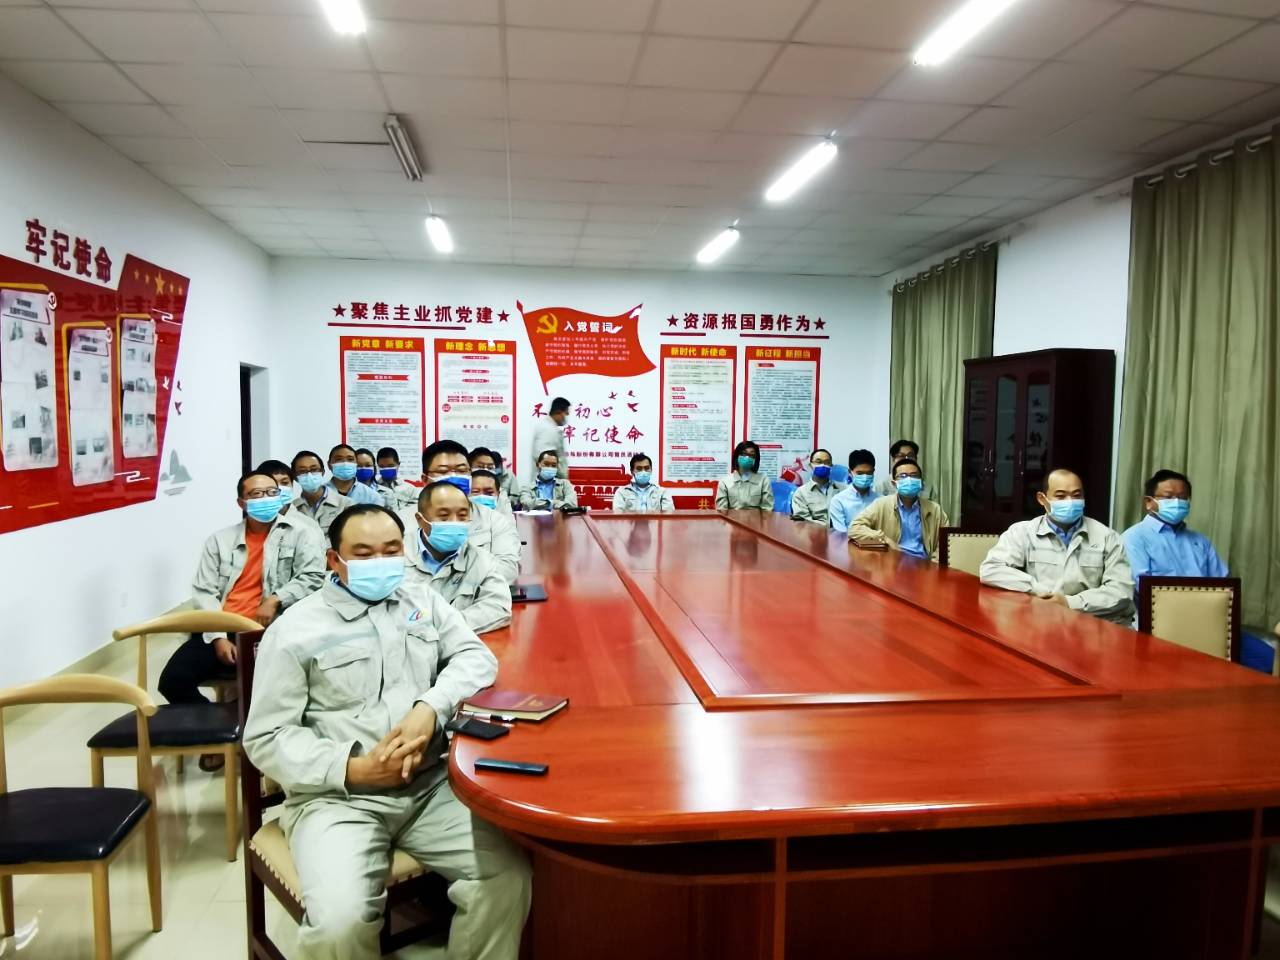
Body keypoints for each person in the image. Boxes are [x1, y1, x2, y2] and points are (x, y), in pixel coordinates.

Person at [242, 504, 530, 960]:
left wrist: (430, 707)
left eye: (391, 550)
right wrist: (353, 769)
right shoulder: (295, 630)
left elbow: (476, 658)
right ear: (334, 560)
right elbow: (267, 737)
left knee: (507, 875)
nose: (380, 562)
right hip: (337, 800)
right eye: (363, 553)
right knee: (339, 923)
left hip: (430, 787)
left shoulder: (422, 601)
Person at [159, 470, 325, 769]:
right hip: (221, 627)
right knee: (173, 681)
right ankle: (218, 732)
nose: (266, 499)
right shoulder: (220, 540)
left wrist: (275, 599)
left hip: (272, 628)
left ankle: (251, 734)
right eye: (256, 494)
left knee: (268, 685)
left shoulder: (303, 533)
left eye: (271, 492)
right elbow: (204, 591)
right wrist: (218, 635)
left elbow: (312, 577)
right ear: (241, 502)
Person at [979, 468, 1134, 624]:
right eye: (1060, 496)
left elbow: (1121, 592)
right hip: (1041, 621)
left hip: (1093, 624)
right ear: (1042, 499)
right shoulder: (1022, 532)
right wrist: (1036, 588)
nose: (1070, 501)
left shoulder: (1107, 537)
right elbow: (991, 569)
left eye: (1076, 495)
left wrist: (1069, 603)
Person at [403, 481, 512, 634]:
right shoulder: (395, 556)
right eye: (444, 516)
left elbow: (498, 607)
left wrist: (441, 626)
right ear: (420, 520)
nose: (455, 522)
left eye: (462, 516)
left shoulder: (481, 560)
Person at [412, 440, 521, 584]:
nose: (454, 477)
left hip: (476, 596)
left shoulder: (495, 520)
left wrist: (452, 585)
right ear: (425, 479)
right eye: (443, 471)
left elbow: (507, 570)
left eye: (461, 471)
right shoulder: (402, 521)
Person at [1122, 469, 1227, 593]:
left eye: (1182, 497)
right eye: (1168, 497)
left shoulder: (1200, 541)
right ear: (1149, 502)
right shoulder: (1133, 538)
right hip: (1159, 604)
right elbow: (1142, 586)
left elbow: (1224, 584)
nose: (1177, 502)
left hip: (1205, 604)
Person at [849, 458, 948, 559]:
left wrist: (933, 564)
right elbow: (854, 528)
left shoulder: (935, 510)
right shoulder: (881, 505)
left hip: (924, 563)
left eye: (914, 475)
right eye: (903, 476)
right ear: (894, 483)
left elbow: (946, 543)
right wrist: (883, 538)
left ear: (921, 482)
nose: (909, 479)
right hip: (892, 562)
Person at [292, 449, 354, 536]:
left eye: (314, 469)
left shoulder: (346, 504)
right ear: (295, 477)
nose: (309, 475)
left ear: (322, 472)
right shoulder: (292, 509)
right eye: (302, 471)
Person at [828, 449, 880, 534]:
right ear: (850, 472)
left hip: (878, 541)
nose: (865, 477)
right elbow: (841, 533)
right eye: (860, 473)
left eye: (869, 473)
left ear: (873, 472)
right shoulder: (838, 501)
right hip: (848, 541)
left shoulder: (880, 500)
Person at [255, 458, 316, 529]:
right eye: (272, 483)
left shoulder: (307, 525)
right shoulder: (251, 523)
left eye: (284, 483)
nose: (279, 488)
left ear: (292, 485)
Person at [791, 448, 846, 525]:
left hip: (841, 531)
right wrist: (829, 527)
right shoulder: (801, 493)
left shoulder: (844, 489)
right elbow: (804, 522)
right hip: (814, 531)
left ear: (831, 466)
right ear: (811, 465)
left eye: (827, 462)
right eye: (818, 462)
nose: (823, 465)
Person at [715, 440, 774, 511]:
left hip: (756, 518)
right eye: (744, 454)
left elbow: (767, 510)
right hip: (732, 518)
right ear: (736, 456)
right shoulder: (725, 482)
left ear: (756, 460)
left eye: (752, 455)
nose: (747, 457)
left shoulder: (763, 480)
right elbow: (722, 511)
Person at [530, 397, 570, 478]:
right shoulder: (548, 430)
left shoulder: (550, 428)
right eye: (566, 413)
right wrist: (561, 475)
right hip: (548, 481)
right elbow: (545, 460)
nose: (566, 417)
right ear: (558, 412)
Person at [469, 448, 515, 513]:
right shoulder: (462, 489)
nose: (485, 470)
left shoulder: (501, 493)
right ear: (469, 468)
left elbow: (508, 516)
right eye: (480, 466)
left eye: (490, 468)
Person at [374, 446, 420, 511]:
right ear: (378, 466)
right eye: (382, 466)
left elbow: (413, 511)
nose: (386, 469)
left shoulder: (410, 489)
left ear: (398, 464)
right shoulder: (373, 488)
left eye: (390, 466)